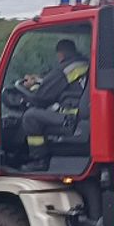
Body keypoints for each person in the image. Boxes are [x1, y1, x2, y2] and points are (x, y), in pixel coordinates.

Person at [20, 39, 89, 171]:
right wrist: (38, 81)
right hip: (77, 112)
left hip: (69, 116)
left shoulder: (64, 69)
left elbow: (41, 98)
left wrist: (30, 87)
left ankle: (39, 159)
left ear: (60, 54)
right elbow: (58, 85)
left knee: (30, 116)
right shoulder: (82, 64)